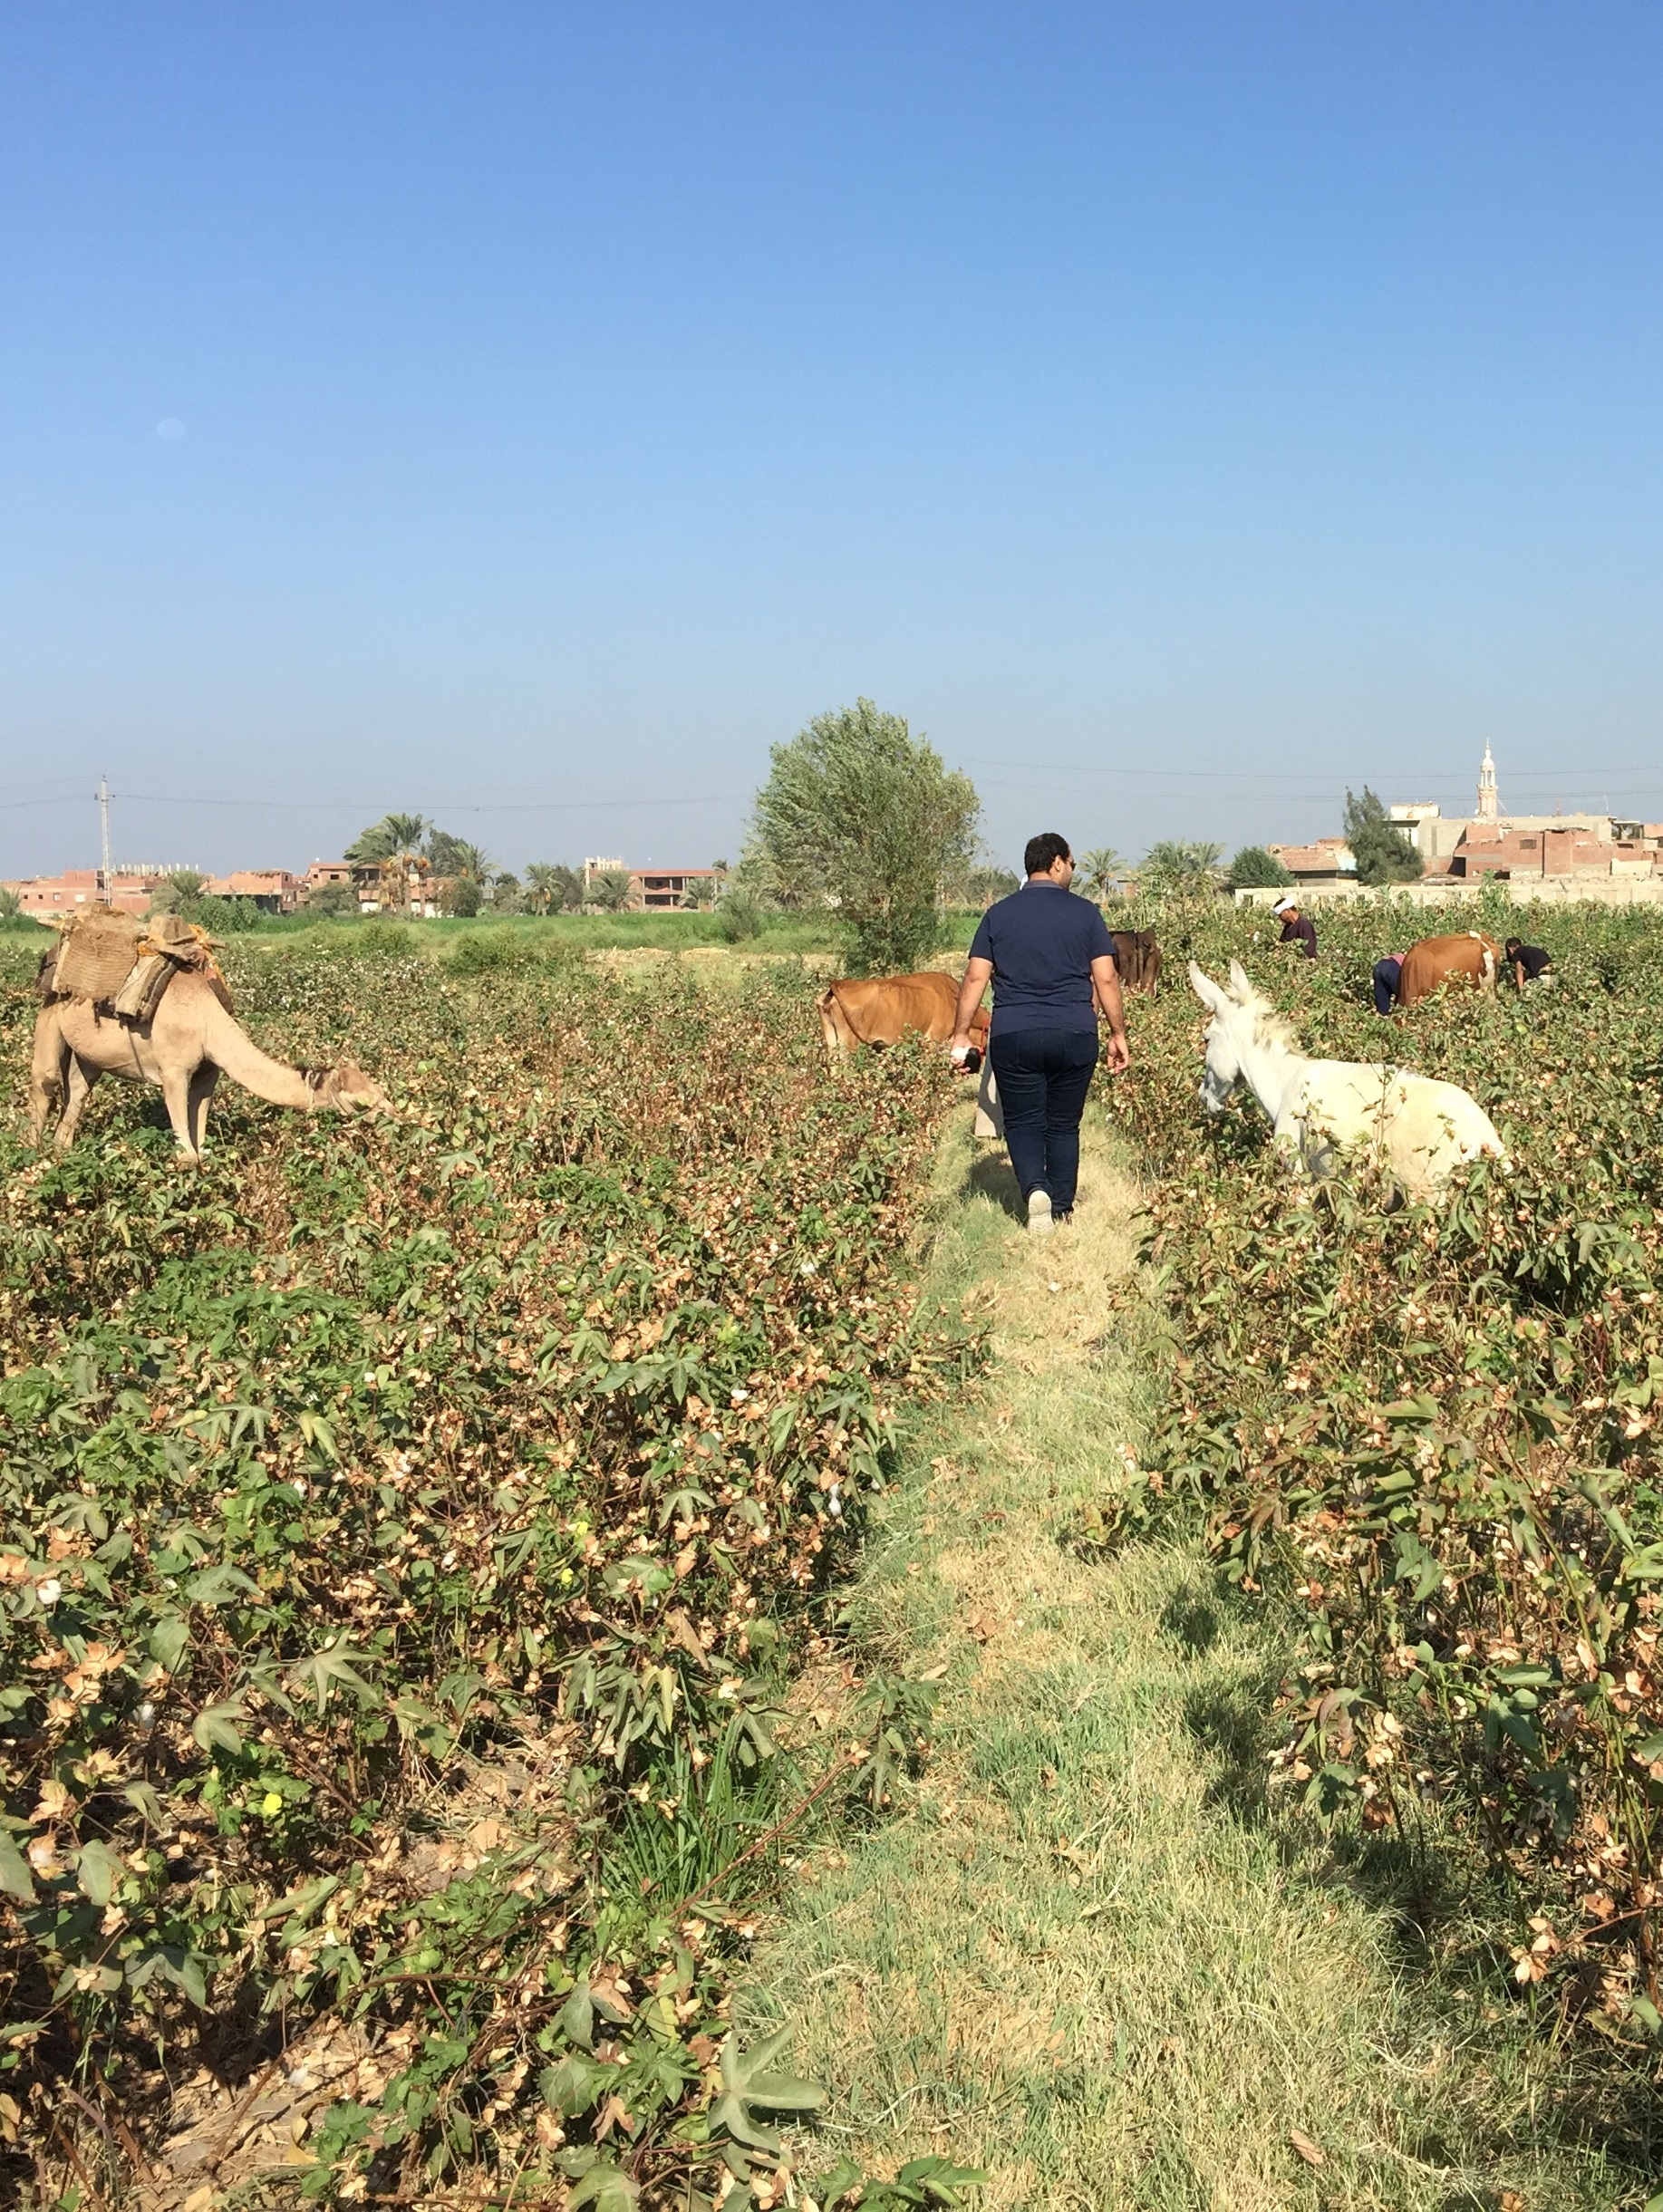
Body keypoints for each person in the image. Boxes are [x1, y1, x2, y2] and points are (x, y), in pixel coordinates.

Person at [949, 832, 1129, 1235]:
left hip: (1016, 1034)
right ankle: (1061, 1209)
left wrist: (960, 1036)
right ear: (1057, 863)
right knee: (1064, 1123)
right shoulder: (1085, 914)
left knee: (1023, 1120)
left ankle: (1034, 1190)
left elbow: (976, 975)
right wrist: (1118, 1033)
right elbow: (1107, 978)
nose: (1072, 871)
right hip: (1074, 1032)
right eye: (1072, 864)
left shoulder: (998, 914)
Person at [1273, 895, 1317, 959]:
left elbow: (1308, 951)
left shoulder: (1304, 925)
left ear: (1287, 912)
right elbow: (1281, 944)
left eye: (1280, 915)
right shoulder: (1288, 927)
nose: (1280, 918)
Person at [1371, 952, 1404, 1017]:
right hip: (1393, 968)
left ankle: (1382, 1018)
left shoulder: (1405, 955)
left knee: (1382, 1009)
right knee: (1404, 997)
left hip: (1380, 966)